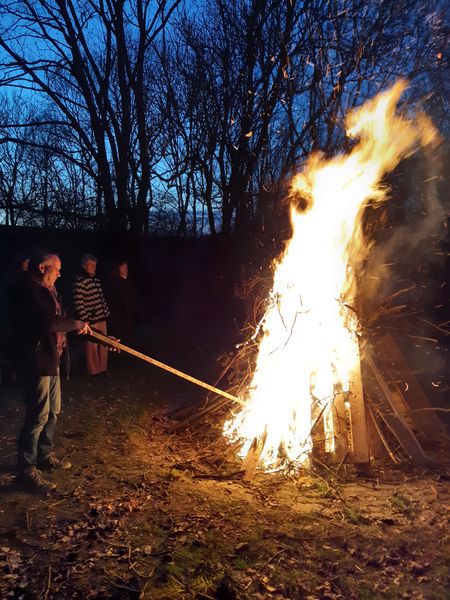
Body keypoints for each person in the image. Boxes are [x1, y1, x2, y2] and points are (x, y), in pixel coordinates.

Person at [11, 250, 92, 493]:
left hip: (52, 358)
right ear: (42, 268)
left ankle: (43, 456)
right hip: (37, 360)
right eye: (56, 268)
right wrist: (75, 323)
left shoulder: (49, 290)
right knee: (38, 414)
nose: (59, 273)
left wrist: (103, 339)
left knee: (53, 411)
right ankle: (27, 470)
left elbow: (61, 319)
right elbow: (47, 323)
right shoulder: (29, 291)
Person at [72, 254, 110, 375]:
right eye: (91, 265)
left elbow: (101, 298)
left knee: (103, 343)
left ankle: (103, 368)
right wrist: (84, 319)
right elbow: (79, 302)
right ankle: (94, 370)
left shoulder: (96, 280)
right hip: (90, 319)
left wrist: (106, 312)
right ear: (84, 266)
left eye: (95, 265)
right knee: (92, 345)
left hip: (101, 316)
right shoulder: (80, 281)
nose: (94, 268)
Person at [104, 259, 141, 345]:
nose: (126, 269)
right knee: (124, 341)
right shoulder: (118, 283)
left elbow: (132, 299)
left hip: (128, 320)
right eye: (123, 267)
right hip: (122, 320)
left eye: (126, 267)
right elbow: (123, 301)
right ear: (118, 269)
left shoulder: (128, 282)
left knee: (130, 341)